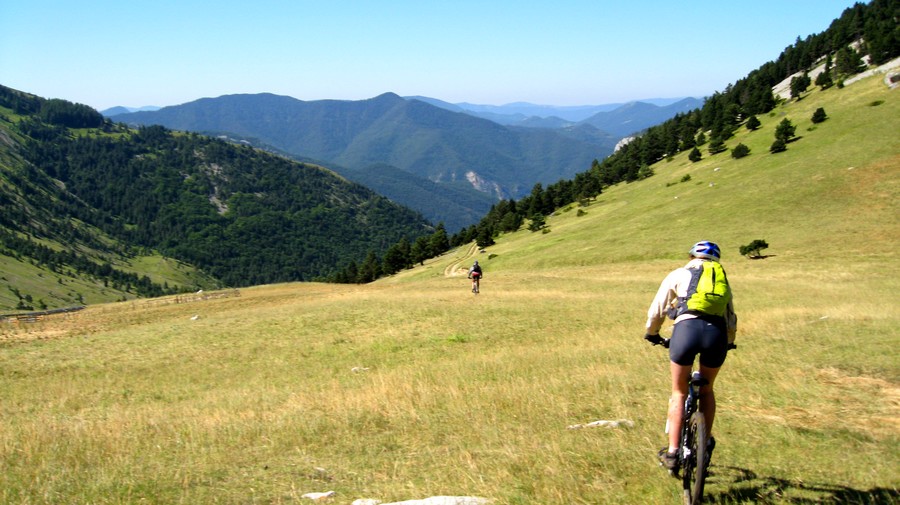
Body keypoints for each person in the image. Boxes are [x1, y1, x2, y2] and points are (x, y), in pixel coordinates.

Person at [643, 241, 737, 473]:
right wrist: (730, 341)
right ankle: (704, 444)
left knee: (679, 391)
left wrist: (652, 333)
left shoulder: (679, 273)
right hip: (716, 335)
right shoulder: (720, 279)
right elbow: (730, 316)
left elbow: (658, 309)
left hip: (686, 332)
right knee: (707, 390)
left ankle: (673, 452)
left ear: (691, 256)